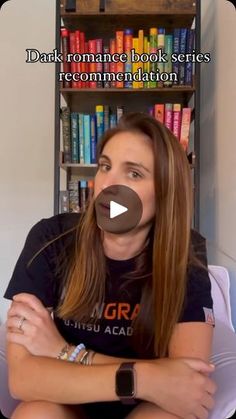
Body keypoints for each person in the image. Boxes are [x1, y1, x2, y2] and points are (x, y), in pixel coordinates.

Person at [3, 112, 216, 419]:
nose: (108, 184)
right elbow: (23, 379)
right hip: (68, 401)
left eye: (134, 174)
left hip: (146, 407)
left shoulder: (186, 252)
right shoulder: (50, 238)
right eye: (105, 166)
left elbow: (188, 384)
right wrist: (148, 378)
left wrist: (65, 353)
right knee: (36, 412)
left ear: (166, 192)